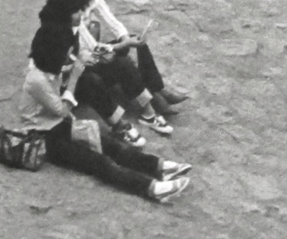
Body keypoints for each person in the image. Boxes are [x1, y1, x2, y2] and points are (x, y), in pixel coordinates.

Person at [18, 22, 189, 202]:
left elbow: (85, 56)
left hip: (63, 124)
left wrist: (92, 56)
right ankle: (152, 188)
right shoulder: (36, 79)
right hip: (45, 136)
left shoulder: (55, 64)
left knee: (113, 147)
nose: (68, 54)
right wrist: (75, 76)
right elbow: (62, 110)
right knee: (99, 162)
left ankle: (160, 166)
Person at [45, 0, 183, 132]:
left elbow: (112, 21)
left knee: (135, 41)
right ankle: (150, 108)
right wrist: (122, 46)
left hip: (90, 53)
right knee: (123, 63)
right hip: (76, 64)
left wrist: (126, 39)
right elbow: (91, 48)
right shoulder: (68, 10)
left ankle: (156, 91)